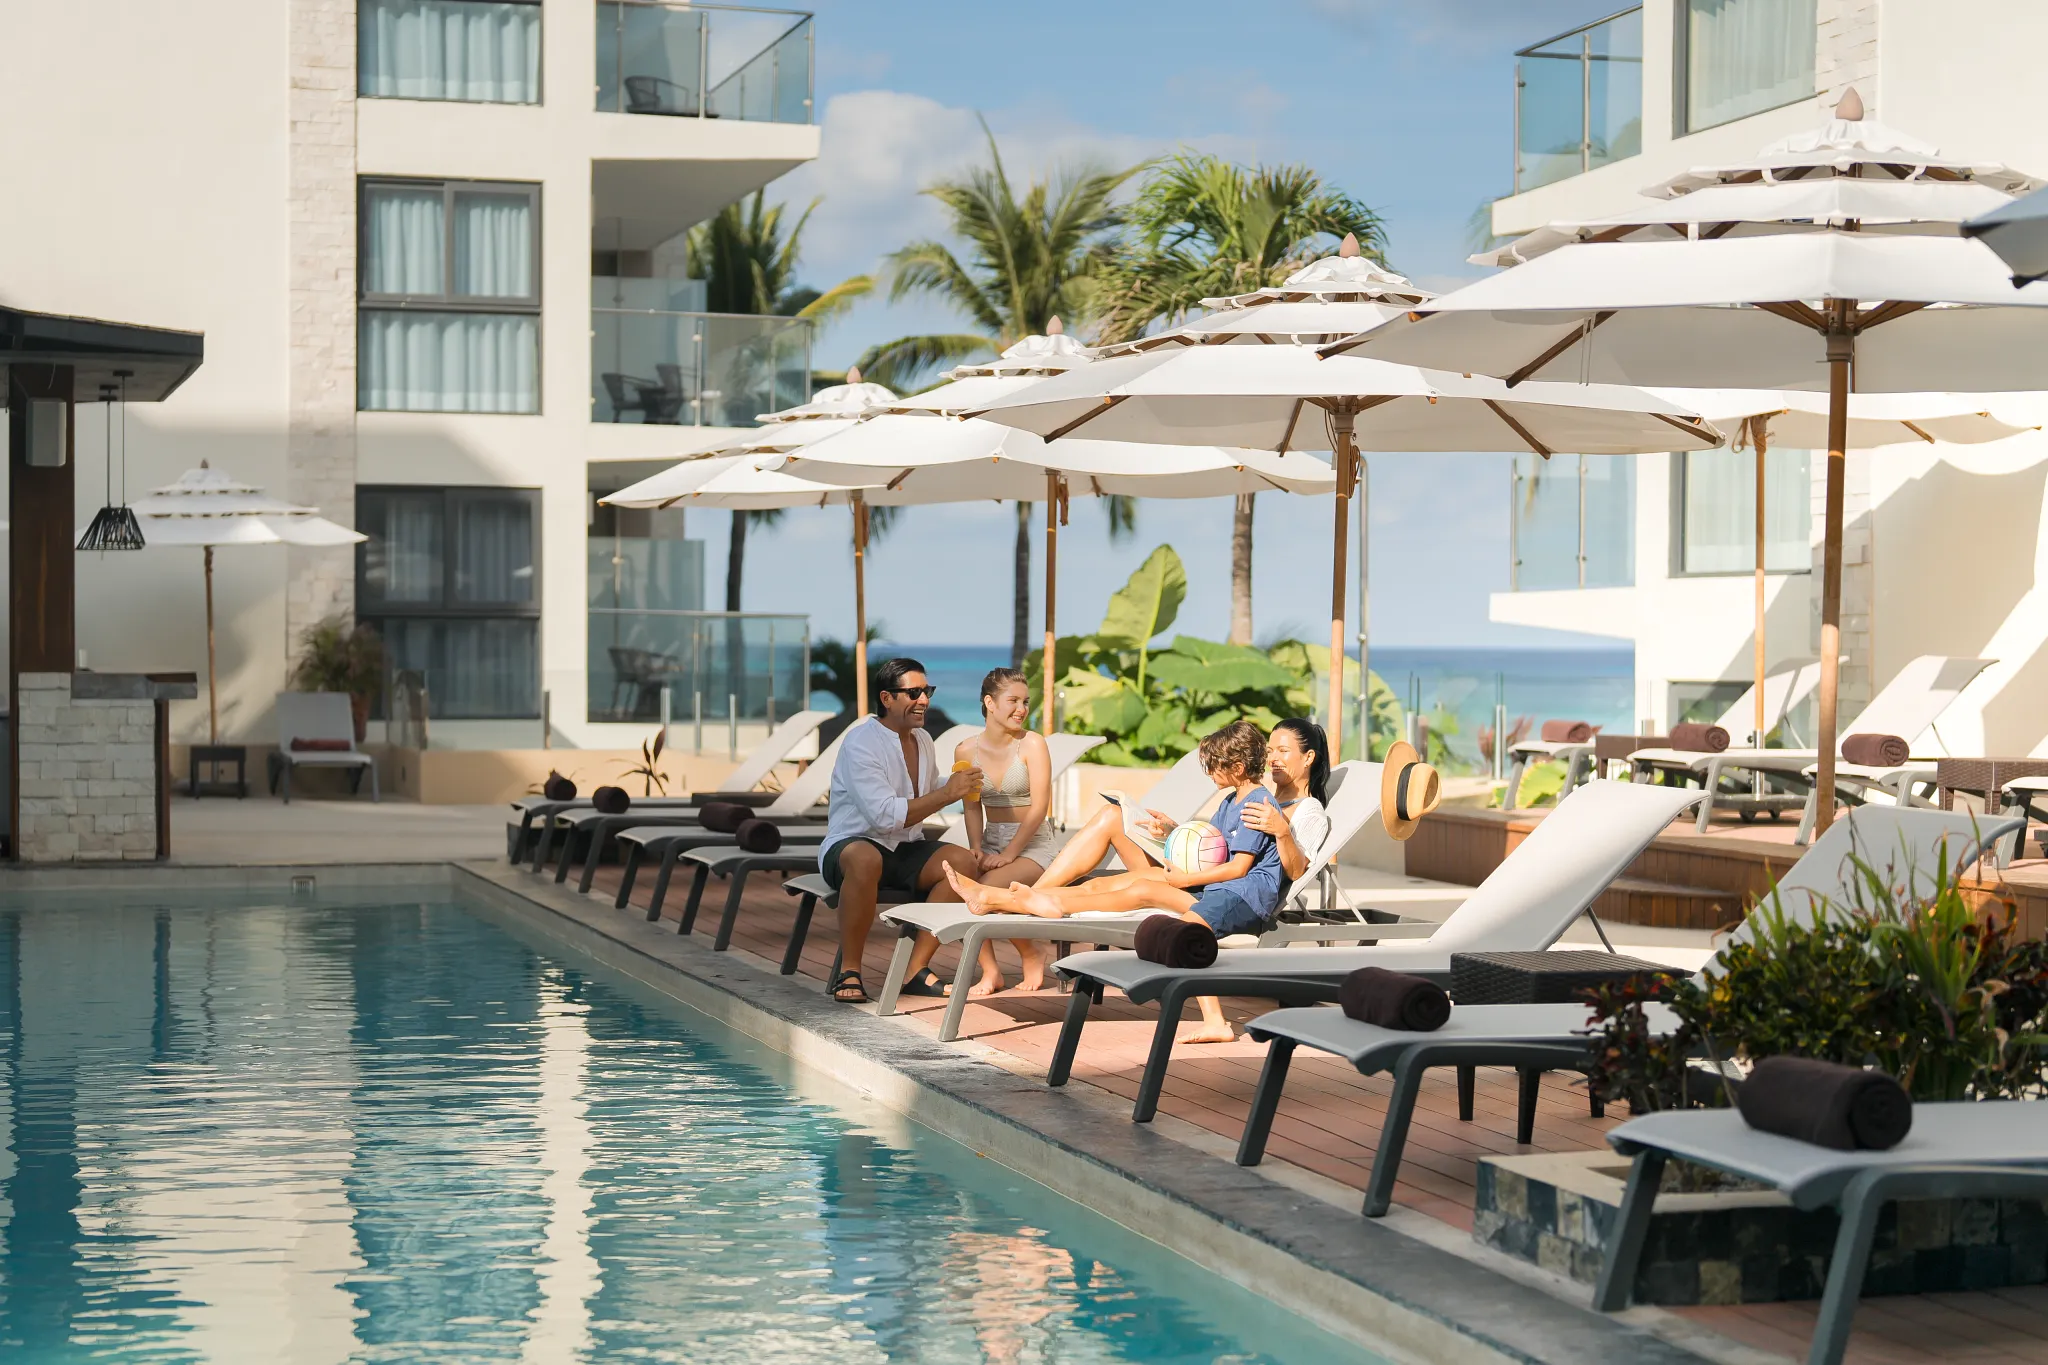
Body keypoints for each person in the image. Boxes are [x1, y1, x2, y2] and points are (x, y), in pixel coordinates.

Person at [942, 720, 1284, 1042]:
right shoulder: (1231, 801)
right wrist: (1172, 834)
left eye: (1215, 767)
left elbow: (1239, 868)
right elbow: (1216, 852)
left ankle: (1215, 1021)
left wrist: (1184, 880)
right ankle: (1008, 898)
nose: (1210, 774)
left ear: (1237, 768)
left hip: (1242, 898)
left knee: (1151, 896)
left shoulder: (1256, 804)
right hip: (1217, 887)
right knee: (1114, 882)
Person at [818, 657, 983, 1004]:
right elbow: (883, 817)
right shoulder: (861, 743)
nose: (923, 699)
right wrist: (946, 793)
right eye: (913, 692)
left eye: (927, 691)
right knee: (864, 859)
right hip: (852, 846)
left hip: (903, 847)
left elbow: (922, 791)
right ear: (887, 698)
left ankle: (914, 969)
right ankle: (850, 970)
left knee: (962, 864)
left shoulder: (922, 740)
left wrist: (961, 783)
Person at [949, 668, 1055, 996]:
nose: (1021, 709)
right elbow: (970, 805)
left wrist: (1009, 854)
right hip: (992, 839)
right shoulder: (965, 751)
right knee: (960, 887)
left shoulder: (1033, 744)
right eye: (1013, 700)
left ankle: (1031, 951)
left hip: (1033, 843)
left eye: (1025, 701)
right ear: (989, 703)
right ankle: (991, 971)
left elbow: (1040, 808)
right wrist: (977, 847)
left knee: (981, 890)